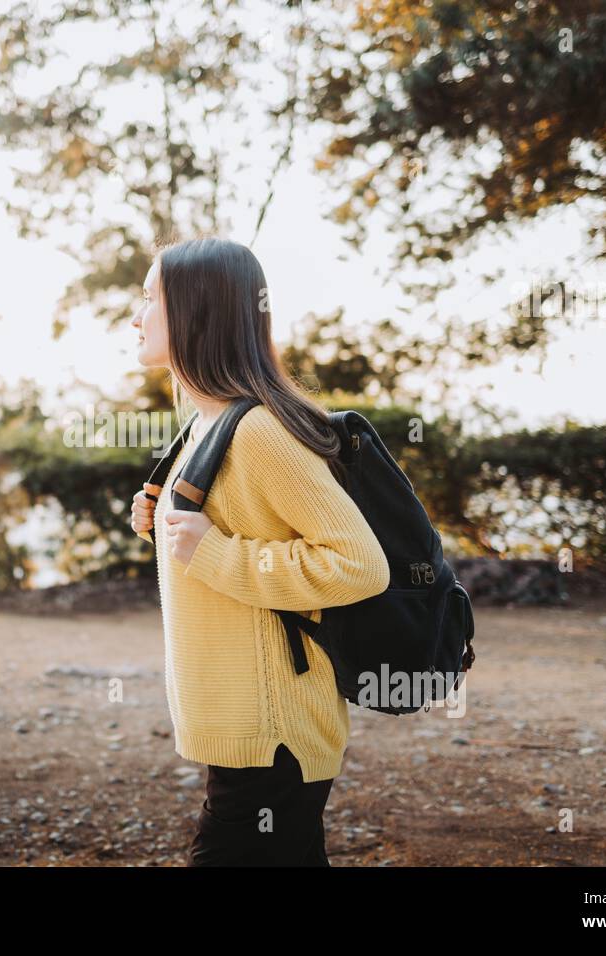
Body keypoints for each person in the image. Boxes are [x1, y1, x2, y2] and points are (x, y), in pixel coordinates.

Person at [128, 236, 390, 866]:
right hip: (246, 731)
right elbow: (236, 530)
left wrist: (214, 551)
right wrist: (160, 525)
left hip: (275, 734)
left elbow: (359, 564)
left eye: (148, 299)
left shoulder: (260, 433)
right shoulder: (206, 425)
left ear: (195, 312)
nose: (134, 317)